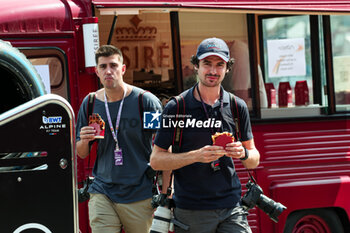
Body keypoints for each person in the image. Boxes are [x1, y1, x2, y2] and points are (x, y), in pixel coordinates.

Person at [150, 37, 260, 233]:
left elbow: (253, 160)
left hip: (232, 206)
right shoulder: (177, 107)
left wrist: (242, 152)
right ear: (196, 66)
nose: (213, 71)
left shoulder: (237, 106)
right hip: (191, 209)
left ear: (227, 68)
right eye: (206, 64)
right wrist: (196, 156)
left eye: (220, 65)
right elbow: (156, 160)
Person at [76, 45, 162, 233]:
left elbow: (164, 147)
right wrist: (83, 141)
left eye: (113, 65)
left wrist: (166, 192)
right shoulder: (90, 103)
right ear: (97, 71)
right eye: (103, 66)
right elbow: (81, 153)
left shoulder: (145, 102)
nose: (109, 71)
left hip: (139, 192)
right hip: (102, 190)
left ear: (122, 69)